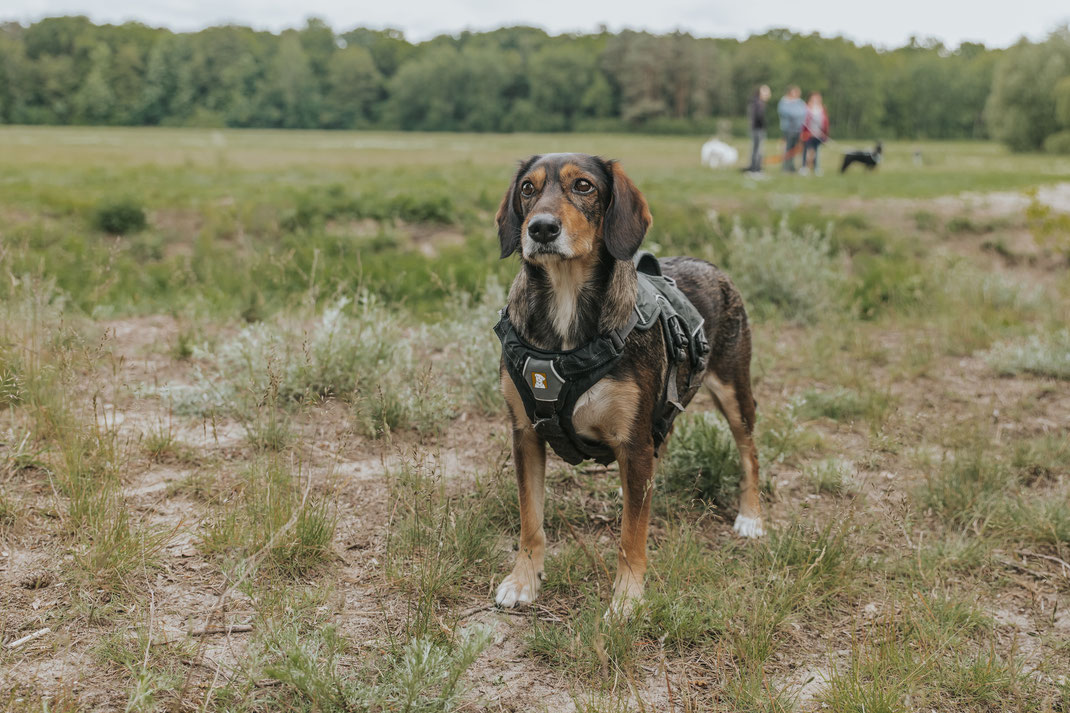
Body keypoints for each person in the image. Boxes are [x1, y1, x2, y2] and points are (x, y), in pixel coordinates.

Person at [777, 86, 807, 172]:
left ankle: (792, 166)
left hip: (798, 129)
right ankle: (786, 167)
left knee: (795, 149)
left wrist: (796, 115)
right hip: (788, 129)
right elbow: (787, 113)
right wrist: (796, 114)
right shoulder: (784, 102)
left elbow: (803, 112)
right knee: (788, 148)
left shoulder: (800, 102)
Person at [800, 92, 829, 176]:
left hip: (819, 134)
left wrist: (825, 133)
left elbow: (825, 122)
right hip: (808, 134)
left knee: (817, 151)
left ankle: (816, 167)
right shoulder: (806, 108)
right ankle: (804, 167)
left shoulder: (822, 109)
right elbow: (803, 122)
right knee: (807, 151)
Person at [745, 85, 771, 173]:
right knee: (758, 150)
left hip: (755, 129)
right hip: (757, 129)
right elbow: (758, 117)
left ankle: (755, 168)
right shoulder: (758, 103)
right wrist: (764, 125)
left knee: (756, 150)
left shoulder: (756, 102)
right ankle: (756, 169)